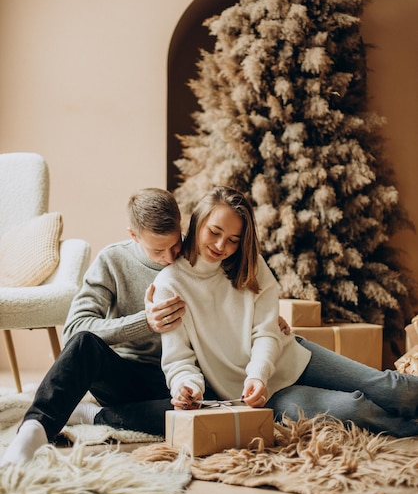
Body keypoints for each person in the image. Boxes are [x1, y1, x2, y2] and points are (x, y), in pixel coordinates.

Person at [153, 186, 418, 438]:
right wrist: (186, 388)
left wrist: (258, 373)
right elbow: (178, 360)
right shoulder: (170, 284)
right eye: (214, 232)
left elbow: (266, 332)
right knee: (355, 408)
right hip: (264, 395)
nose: (221, 246)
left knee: (386, 386)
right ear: (198, 220)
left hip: (289, 356)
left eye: (233, 240)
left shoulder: (249, 264)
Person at [0, 188, 185, 467]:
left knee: (200, 412)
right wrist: (143, 323)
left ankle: (93, 416)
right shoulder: (113, 260)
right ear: (133, 236)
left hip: (181, 378)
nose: (170, 258)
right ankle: (33, 431)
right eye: (158, 250)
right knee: (84, 343)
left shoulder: (197, 257)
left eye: (176, 245)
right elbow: (74, 329)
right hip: (125, 376)